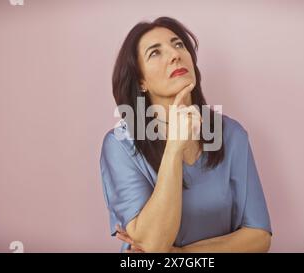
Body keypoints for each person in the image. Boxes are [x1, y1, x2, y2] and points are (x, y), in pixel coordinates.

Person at [100, 17, 272, 253]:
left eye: (178, 44)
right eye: (155, 53)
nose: (174, 55)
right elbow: (153, 244)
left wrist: (182, 255)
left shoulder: (231, 134)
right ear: (141, 82)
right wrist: (174, 146)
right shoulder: (120, 144)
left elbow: (259, 236)